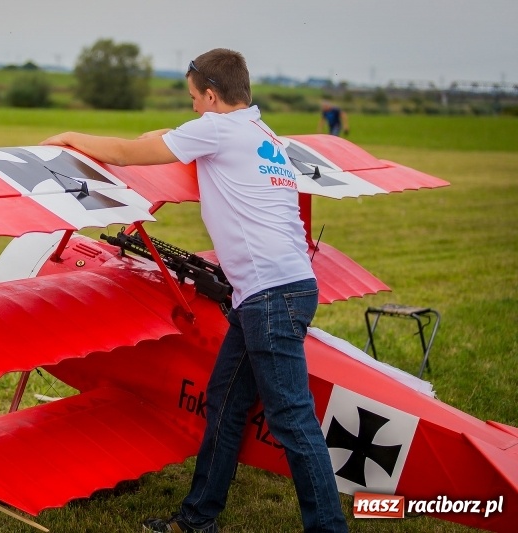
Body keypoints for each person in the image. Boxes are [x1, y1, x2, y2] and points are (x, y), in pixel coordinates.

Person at [41, 49, 347, 532]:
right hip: (277, 292)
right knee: (224, 403)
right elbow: (167, 138)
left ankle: (328, 528)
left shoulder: (218, 129)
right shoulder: (260, 132)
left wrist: (67, 138)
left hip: (269, 296)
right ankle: (199, 518)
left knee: (293, 422)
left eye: (193, 99)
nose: (191, 109)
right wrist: (157, 137)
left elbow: (122, 153)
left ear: (211, 94)